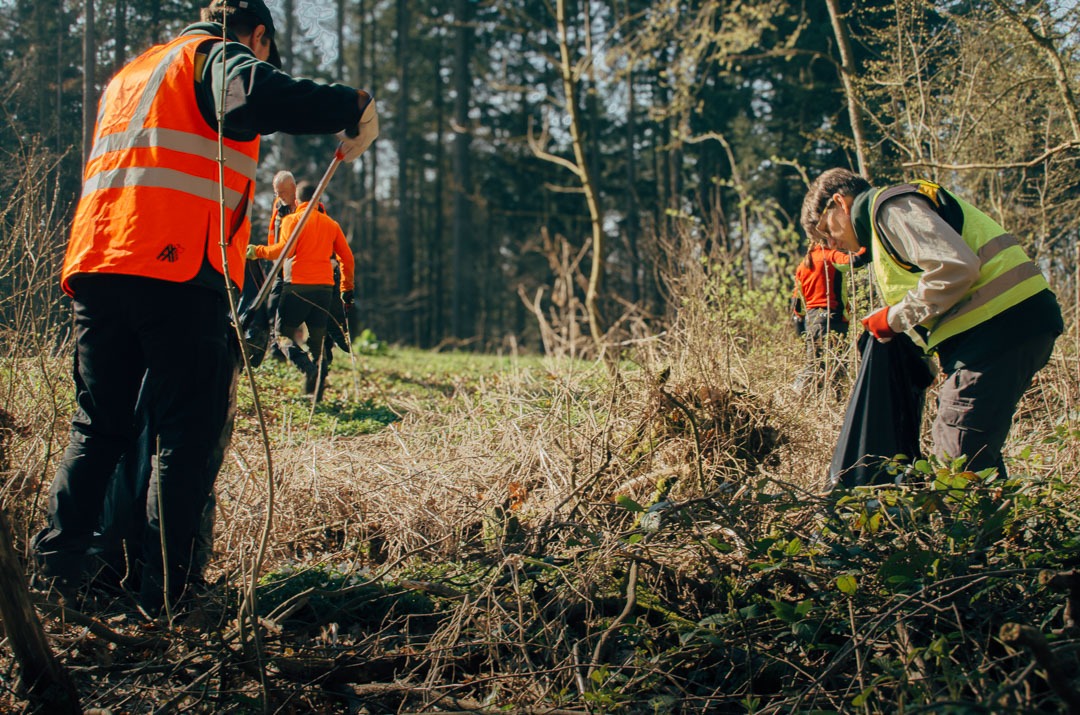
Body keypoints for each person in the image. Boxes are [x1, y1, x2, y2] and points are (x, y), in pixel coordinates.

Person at [33, 0, 379, 616]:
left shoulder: (135, 71)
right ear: (258, 36)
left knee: (98, 429)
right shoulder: (216, 58)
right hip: (174, 268)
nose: (259, 58)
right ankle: (166, 598)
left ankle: (57, 582)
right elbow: (254, 93)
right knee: (184, 439)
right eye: (263, 50)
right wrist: (351, 106)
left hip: (99, 265)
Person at [803, 168, 1063, 476]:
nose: (830, 244)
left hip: (1001, 326)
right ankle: (1001, 520)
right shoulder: (882, 229)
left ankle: (971, 521)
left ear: (840, 203)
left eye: (825, 231)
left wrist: (894, 318)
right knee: (974, 452)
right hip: (1002, 328)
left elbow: (956, 268)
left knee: (956, 456)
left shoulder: (891, 209)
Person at [246, 182, 355, 401]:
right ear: (318, 199)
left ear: (297, 199)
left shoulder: (291, 220)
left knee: (281, 335)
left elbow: (283, 251)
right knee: (317, 342)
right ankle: (316, 393)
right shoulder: (331, 224)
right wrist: (346, 289)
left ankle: (306, 367)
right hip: (324, 290)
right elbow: (347, 258)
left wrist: (256, 251)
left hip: (296, 288)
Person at [790, 242, 868, 394]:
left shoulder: (803, 265)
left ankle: (800, 397)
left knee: (814, 366)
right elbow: (855, 262)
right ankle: (837, 405)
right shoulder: (831, 256)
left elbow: (797, 305)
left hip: (812, 321)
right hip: (835, 320)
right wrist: (867, 243)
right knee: (838, 371)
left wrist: (800, 329)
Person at [265, 170, 298, 362]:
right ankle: (276, 348)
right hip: (279, 264)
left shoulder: (307, 205)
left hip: (298, 267)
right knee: (273, 306)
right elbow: (273, 232)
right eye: (276, 192)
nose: (279, 197)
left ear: (293, 189)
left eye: (283, 192)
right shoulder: (278, 205)